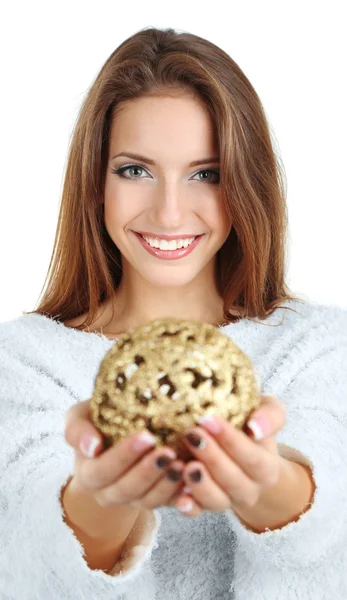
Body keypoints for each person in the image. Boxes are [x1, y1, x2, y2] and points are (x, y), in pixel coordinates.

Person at [1, 26, 347, 600]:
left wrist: (271, 482)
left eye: (205, 174)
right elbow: (24, 555)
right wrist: (100, 499)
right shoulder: (23, 361)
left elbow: (336, 507)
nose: (168, 212)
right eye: (135, 170)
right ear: (96, 185)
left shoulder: (321, 345)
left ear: (245, 185)